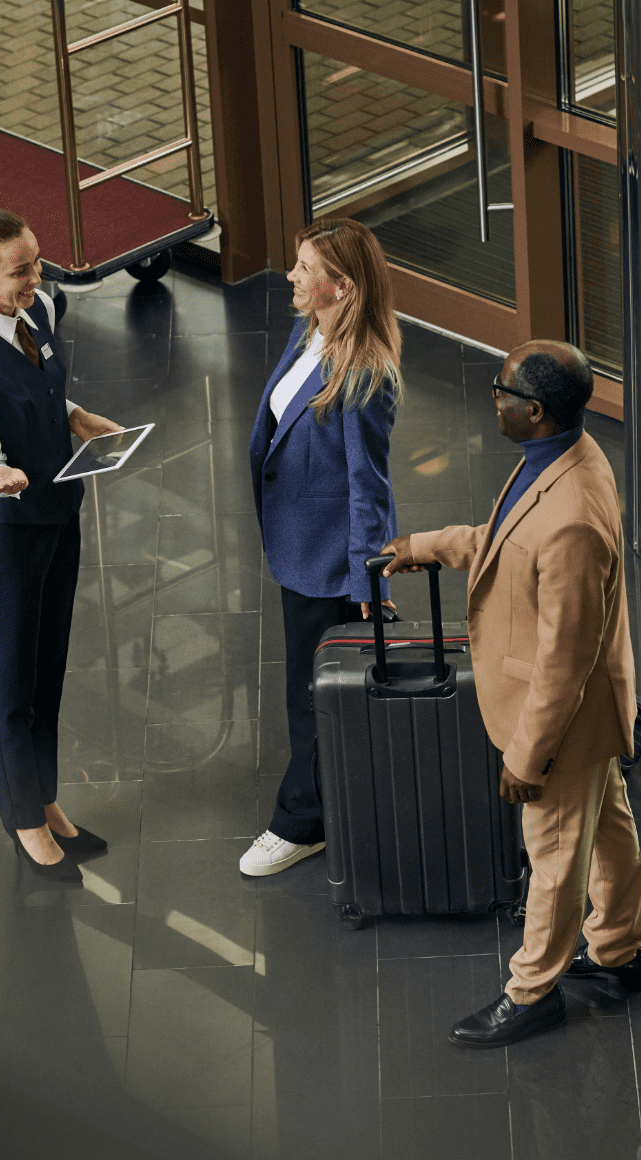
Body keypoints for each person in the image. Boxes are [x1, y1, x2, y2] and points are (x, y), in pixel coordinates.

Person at [379, 340, 641, 1048]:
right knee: (608, 831)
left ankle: (531, 993)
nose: (490, 400)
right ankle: (617, 954)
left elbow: (564, 659)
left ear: (532, 410)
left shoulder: (573, 518)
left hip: (559, 722)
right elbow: (503, 542)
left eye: (498, 390)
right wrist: (425, 545)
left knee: (555, 855)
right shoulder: (563, 459)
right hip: (588, 719)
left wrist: (526, 758)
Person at [0, 207, 125, 885]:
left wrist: (74, 416)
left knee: (46, 671)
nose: (36, 278)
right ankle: (23, 819)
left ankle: (42, 795)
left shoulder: (34, 312)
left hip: (54, 514)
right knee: (9, 682)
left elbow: (42, 391)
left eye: (36, 263)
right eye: (20, 271)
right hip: (4, 537)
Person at [239, 219, 402, 877]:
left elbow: (371, 489)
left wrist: (369, 582)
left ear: (343, 285)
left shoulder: (363, 375)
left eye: (305, 268)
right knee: (309, 689)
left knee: (311, 696)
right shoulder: (308, 334)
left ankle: (300, 823)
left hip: (330, 561)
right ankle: (333, 799)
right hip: (298, 544)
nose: (292, 276)